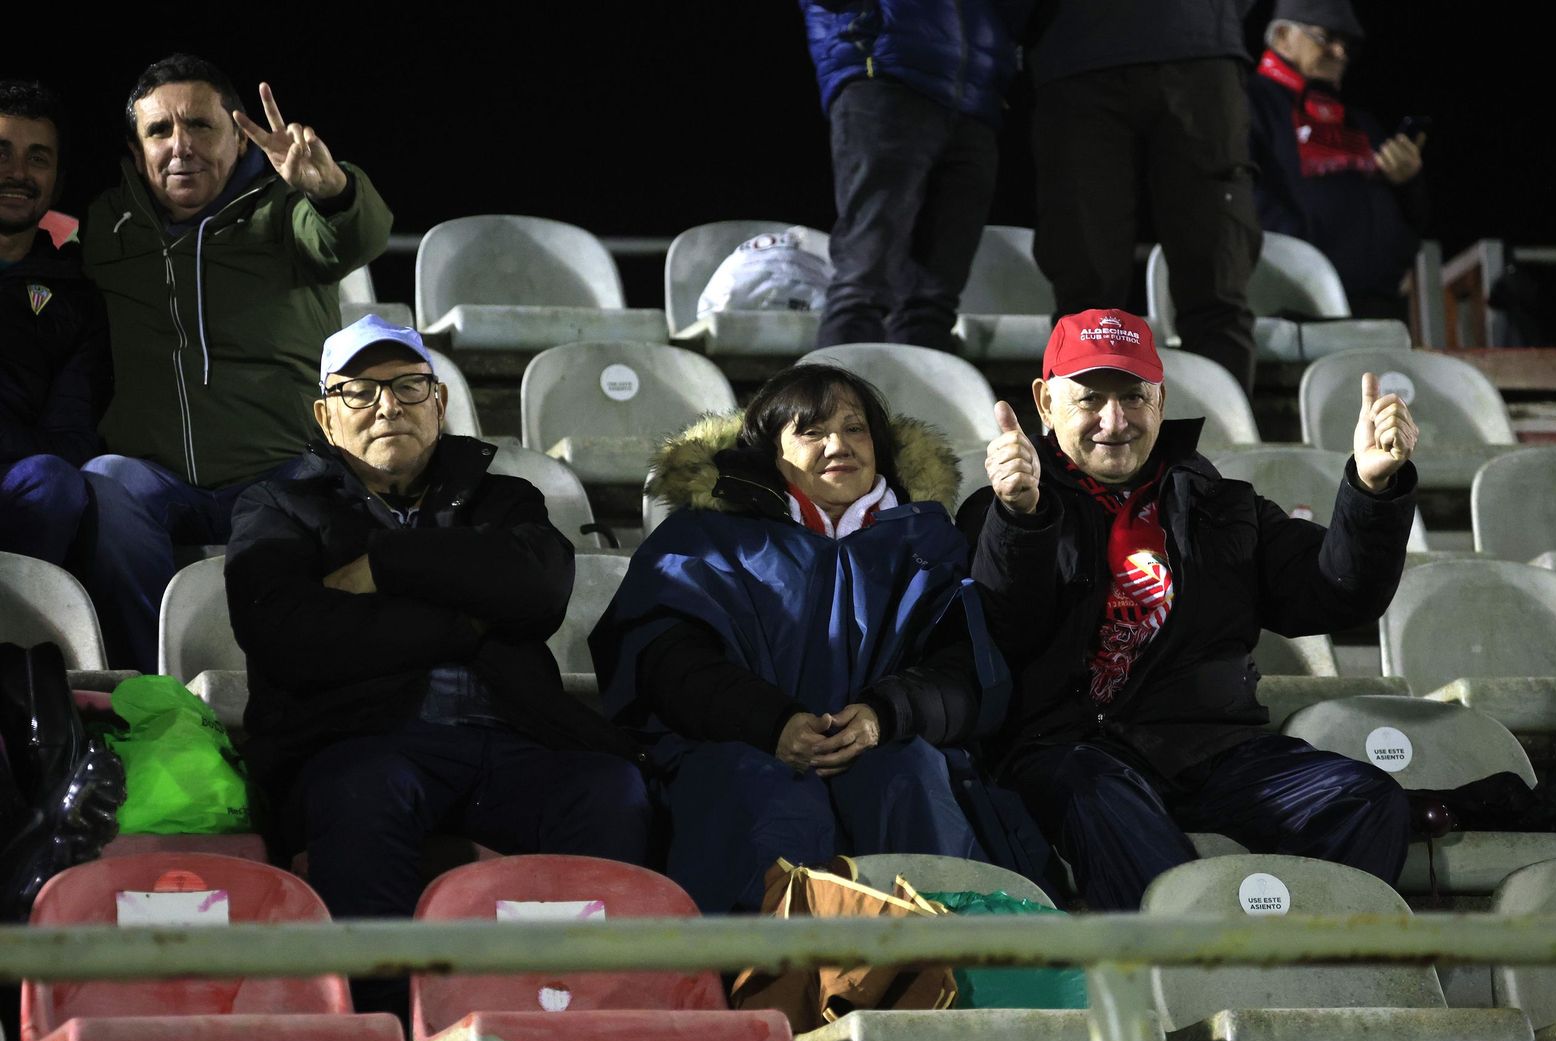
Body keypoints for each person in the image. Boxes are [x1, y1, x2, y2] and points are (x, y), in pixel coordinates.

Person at [961, 307, 1419, 910]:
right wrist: (1020, 520)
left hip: (1209, 751)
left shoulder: (1222, 504)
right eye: (1089, 399)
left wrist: (1370, 490)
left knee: (1365, 799)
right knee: (1098, 796)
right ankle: (1189, 989)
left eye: (1133, 396)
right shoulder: (1001, 509)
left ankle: (1312, 982)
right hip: (1071, 751)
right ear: (1045, 404)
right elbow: (1003, 631)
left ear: (1161, 399)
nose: (1114, 420)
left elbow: (1337, 591)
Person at [225, 315, 652, 948]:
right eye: (358, 392)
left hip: (513, 737)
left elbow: (539, 587)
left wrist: (385, 564)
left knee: (609, 787)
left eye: (407, 387)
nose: (386, 407)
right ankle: (384, 1016)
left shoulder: (505, 497)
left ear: (440, 401)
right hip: (364, 739)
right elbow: (293, 637)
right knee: (362, 789)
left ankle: (584, 998)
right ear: (325, 416)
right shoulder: (280, 507)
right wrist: (467, 618)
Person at [591, 363, 1012, 913]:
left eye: (855, 428)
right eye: (811, 432)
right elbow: (668, 660)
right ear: (771, 453)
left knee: (910, 776)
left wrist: (883, 717)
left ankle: (944, 982)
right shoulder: (706, 539)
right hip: (740, 750)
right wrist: (772, 722)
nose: (838, 444)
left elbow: (965, 669)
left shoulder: (932, 543)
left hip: (891, 746)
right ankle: (768, 984)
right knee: (763, 798)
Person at [79, 54, 392, 672]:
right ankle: (153, 680)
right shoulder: (108, 225)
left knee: (326, 513)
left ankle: (295, 688)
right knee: (103, 484)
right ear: (135, 147)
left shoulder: (284, 208)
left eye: (200, 126)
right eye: (159, 132)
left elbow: (350, 239)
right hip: (158, 477)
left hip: (280, 471)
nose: (180, 147)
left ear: (239, 133)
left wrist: (333, 190)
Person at [1028, 0, 1261, 391]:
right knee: (1087, 299)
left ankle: (1215, 446)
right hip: (1078, 53)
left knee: (1216, 284)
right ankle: (1081, 448)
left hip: (1191, 44)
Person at [799, 0, 1030, 352]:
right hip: (886, 74)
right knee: (865, 279)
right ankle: (833, 403)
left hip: (976, 99)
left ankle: (917, 406)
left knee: (933, 299)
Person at [1249, 0, 1428, 320]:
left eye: (1347, 45)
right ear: (1282, 36)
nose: (1340, 53)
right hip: (1288, 312)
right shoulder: (1247, 103)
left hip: (1375, 311)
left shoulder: (1360, 122)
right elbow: (1238, 198)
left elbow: (1413, 220)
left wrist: (1408, 181)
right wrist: (1303, 268)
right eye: (1326, 38)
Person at [0, 80, 111, 566]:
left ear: (58, 182)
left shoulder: (75, 297)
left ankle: (23, 635)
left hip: (10, 490)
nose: (18, 173)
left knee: (56, 482)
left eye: (38, 158)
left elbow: (72, 439)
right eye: (1, 153)